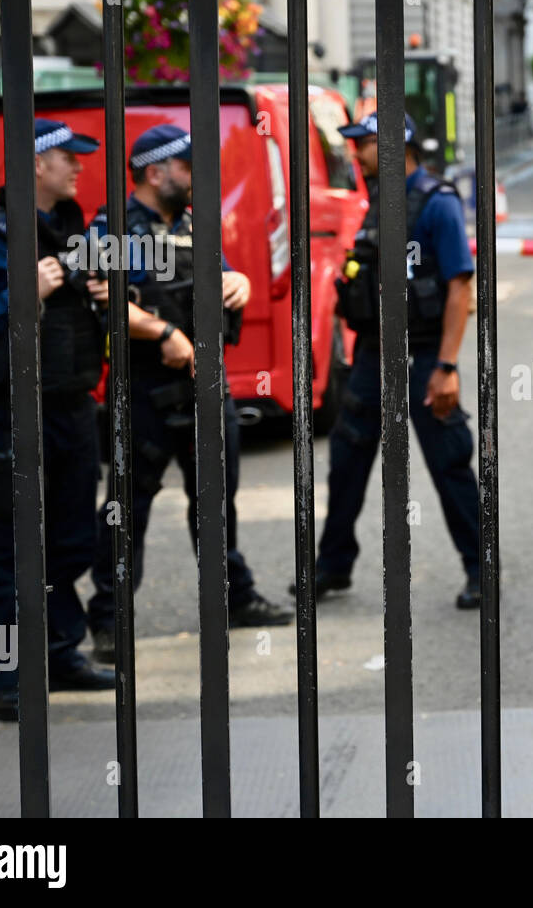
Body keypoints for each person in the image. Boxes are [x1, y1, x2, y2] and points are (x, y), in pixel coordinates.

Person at [87, 124, 292, 662]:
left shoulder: (192, 224)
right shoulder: (113, 227)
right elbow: (103, 301)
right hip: (146, 387)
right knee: (128, 508)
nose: (199, 175)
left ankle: (233, 597)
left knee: (215, 500)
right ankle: (110, 619)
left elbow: (221, 279)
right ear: (156, 173)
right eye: (187, 166)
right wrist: (165, 334)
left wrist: (241, 282)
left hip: (205, 385)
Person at [0, 119, 116, 720]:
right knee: (8, 544)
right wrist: (22, 295)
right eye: (70, 158)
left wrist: (106, 294)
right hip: (11, 410)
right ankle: (5, 675)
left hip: (70, 405)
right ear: (36, 164)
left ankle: (61, 651)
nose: (79, 168)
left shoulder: (75, 230)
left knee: (74, 537)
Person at [302, 112, 483, 609]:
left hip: (423, 355)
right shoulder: (379, 201)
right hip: (372, 357)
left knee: (450, 463)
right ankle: (332, 567)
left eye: (362, 144)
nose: (355, 153)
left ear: (392, 145)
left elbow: (459, 287)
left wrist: (446, 366)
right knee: (347, 461)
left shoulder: (435, 202)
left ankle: (479, 570)